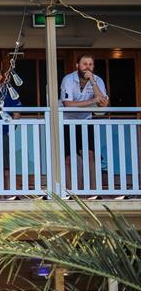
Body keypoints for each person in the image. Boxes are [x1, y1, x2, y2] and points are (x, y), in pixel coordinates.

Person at [60, 54, 109, 190]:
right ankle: (70, 192)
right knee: (68, 158)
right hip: (66, 121)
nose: (87, 67)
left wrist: (93, 82)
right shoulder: (68, 79)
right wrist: (93, 100)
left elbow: (103, 104)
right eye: (84, 64)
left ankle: (93, 191)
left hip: (86, 121)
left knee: (90, 155)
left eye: (90, 64)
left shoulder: (97, 80)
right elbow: (68, 104)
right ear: (77, 66)